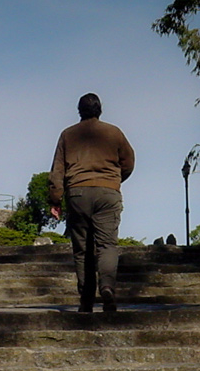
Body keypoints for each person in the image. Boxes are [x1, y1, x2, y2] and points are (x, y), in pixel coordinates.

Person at [48, 93, 135, 313]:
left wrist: (55, 198)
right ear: (100, 109)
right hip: (108, 192)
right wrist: (114, 180)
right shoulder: (114, 133)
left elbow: (58, 170)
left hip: (77, 193)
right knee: (107, 245)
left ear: (79, 110)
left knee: (82, 249)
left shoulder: (67, 135)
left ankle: (86, 299)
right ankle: (107, 287)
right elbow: (129, 161)